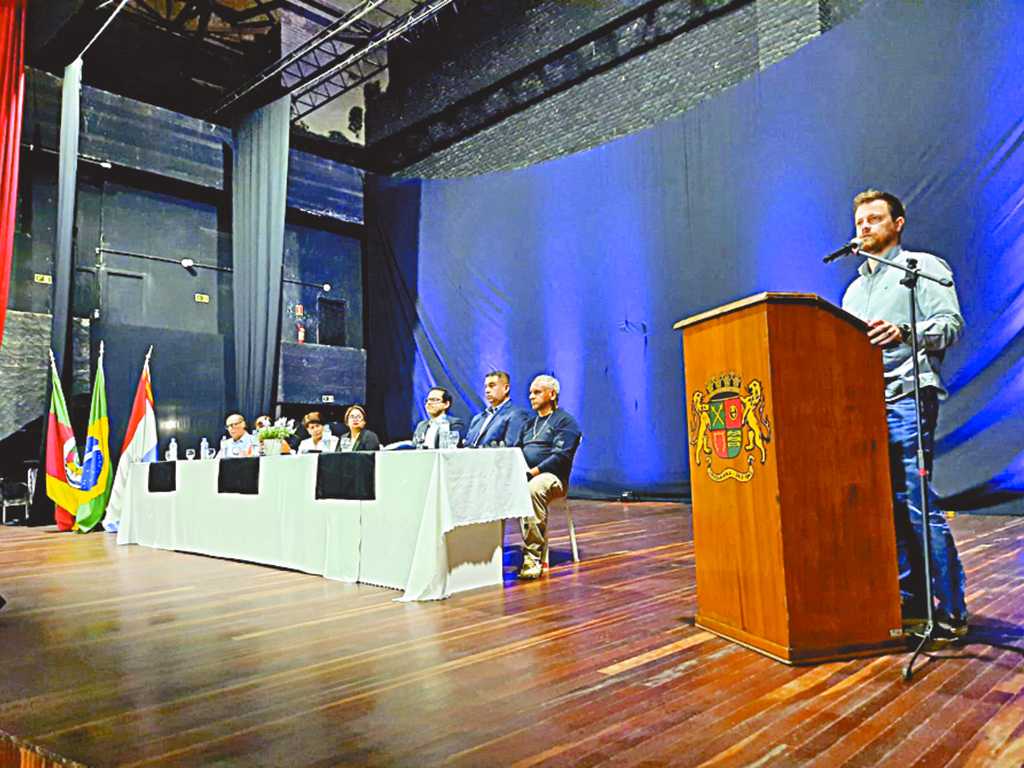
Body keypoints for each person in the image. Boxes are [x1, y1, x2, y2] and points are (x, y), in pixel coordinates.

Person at [840, 189, 967, 640]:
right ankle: (909, 601)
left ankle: (951, 609)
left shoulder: (921, 268)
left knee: (916, 503)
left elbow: (951, 325)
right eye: (860, 221)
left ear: (898, 224)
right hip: (864, 408)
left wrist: (906, 331)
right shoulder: (853, 290)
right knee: (886, 507)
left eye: (875, 218)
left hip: (907, 398)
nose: (865, 227)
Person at [517, 375, 582, 580]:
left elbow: (560, 458)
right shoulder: (529, 423)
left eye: (537, 392)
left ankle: (532, 557)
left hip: (553, 479)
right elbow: (516, 449)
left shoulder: (565, 422)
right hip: (525, 475)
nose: (531, 396)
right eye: (530, 392)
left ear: (552, 394)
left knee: (534, 487)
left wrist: (532, 472)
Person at [465, 371, 530, 448]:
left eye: (492, 386)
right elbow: (467, 444)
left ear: (506, 388)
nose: (487, 390)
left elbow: (510, 449)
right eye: (486, 386)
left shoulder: (516, 414)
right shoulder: (477, 419)